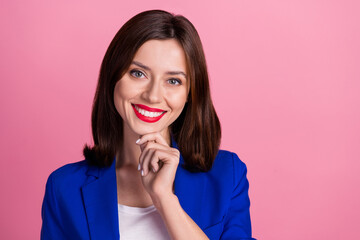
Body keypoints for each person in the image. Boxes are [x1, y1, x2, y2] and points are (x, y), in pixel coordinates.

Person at [41, 10, 255, 240]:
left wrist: (165, 198)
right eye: (138, 73)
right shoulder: (64, 188)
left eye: (173, 81)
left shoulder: (227, 175)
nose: (153, 96)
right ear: (113, 78)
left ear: (190, 93)